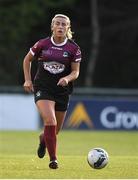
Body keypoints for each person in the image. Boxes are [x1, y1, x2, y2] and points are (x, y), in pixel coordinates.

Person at [23, 14, 82, 169]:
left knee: (54, 131)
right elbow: (27, 60)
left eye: (64, 24)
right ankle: (53, 159)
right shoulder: (42, 44)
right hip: (43, 88)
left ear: (68, 28)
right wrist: (28, 80)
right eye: (57, 23)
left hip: (62, 91)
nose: (60, 26)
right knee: (50, 121)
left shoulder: (73, 48)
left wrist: (67, 78)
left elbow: (75, 72)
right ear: (52, 26)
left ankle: (43, 139)